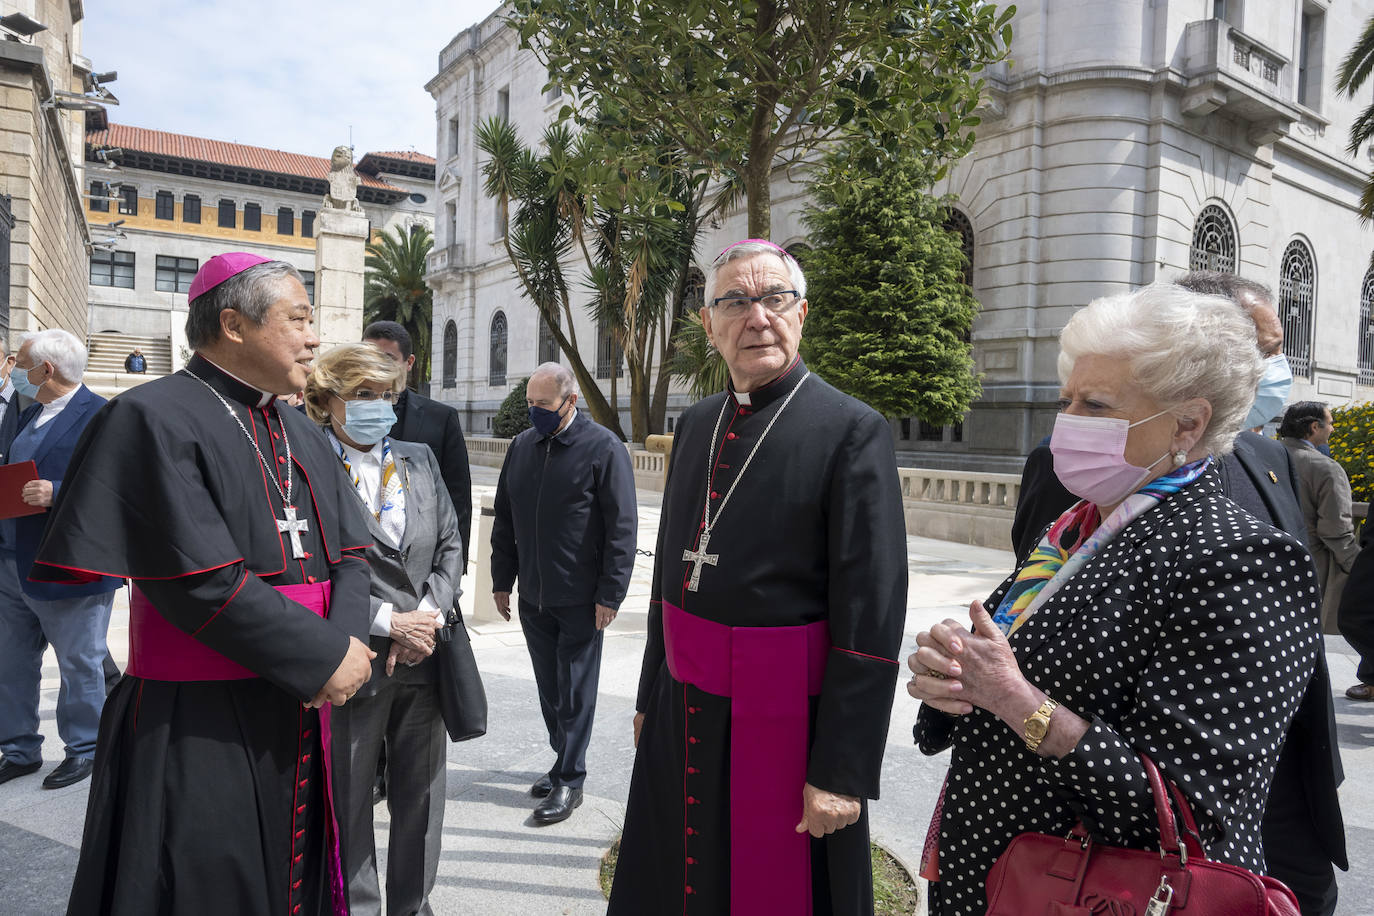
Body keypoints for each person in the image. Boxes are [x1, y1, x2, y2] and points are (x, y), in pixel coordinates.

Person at [909, 284, 1320, 916]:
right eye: (1066, 399)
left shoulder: (1239, 559)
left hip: (1103, 894)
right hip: (995, 879)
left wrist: (1015, 699)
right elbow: (1010, 672)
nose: (1067, 421)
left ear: (1188, 423)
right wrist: (956, 682)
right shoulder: (1076, 530)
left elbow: (1188, 809)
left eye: (1094, 404)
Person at [32, 252, 376, 916]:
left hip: (305, 707)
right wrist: (324, 657)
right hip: (200, 722)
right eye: (298, 318)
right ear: (233, 323)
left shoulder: (300, 431)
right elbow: (200, 583)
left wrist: (346, 648)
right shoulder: (150, 419)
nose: (313, 337)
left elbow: (354, 555)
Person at [608, 240, 908, 915]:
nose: (757, 316)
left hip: (788, 723)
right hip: (684, 706)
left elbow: (872, 614)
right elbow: (670, 582)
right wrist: (652, 689)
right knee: (680, 877)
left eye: (774, 299)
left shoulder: (852, 431)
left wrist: (841, 768)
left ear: (801, 314)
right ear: (710, 324)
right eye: (735, 301)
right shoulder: (697, 425)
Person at [305, 343, 463, 916]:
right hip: (353, 660)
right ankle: (358, 908)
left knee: (421, 800)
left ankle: (412, 907)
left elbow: (450, 545)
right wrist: (386, 621)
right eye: (363, 395)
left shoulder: (419, 457)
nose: (379, 406)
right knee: (348, 801)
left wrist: (425, 617)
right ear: (328, 401)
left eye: (386, 395)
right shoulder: (308, 463)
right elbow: (314, 564)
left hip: (424, 656)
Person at [491, 361, 636, 825]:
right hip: (534, 596)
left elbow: (621, 528)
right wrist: (501, 579)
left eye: (543, 405)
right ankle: (560, 763)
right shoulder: (521, 446)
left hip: (580, 598)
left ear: (570, 401)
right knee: (550, 691)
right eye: (530, 403)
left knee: (574, 691)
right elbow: (505, 518)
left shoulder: (603, 448)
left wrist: (610, 595)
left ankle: (570, 780)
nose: (534, 412)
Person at [0, 330, 121, 790]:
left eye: (23, 363)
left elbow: (127, 488)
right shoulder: (29, 412)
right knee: (11, 662)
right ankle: (19, 748)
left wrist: (60, 493)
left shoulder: (104, 414)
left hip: (69, 567)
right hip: (13, 560)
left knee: (79, 664)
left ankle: (85, 748)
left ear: (45, 370)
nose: (17, 372)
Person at [362, 321, 472, 564]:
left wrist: (452, 570)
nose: (377, 365)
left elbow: (458, 497)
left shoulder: (441, 418)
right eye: (368, 356)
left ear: (409, 362)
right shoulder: (342, 413)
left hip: (420, 561)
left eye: (388, 358)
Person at [1280, 401, 1359, 634]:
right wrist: (1357, 565)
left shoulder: (1262, 457)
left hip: (1262, 559)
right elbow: (1336, 531)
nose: (1333, 429)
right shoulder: (1326, 468)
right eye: (1331, 423)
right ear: (1315, 427)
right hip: (1310, 567)